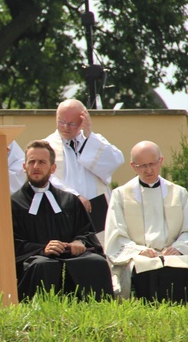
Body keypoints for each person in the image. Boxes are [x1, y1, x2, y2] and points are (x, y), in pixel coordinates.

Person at [12, 140, 113, 301]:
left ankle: (100, 311)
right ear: (24, 166)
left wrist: (80, 242)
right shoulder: (14, 204)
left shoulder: (70, 201)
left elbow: (86, 232)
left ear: (53, 168)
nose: (36, 166)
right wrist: (42, 249)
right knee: (43, 265)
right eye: (31, 162)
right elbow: (13, 243)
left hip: (71, 255)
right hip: (36, 257)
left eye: (42, 162)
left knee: (96, 262)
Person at [104, 141, 188, 302]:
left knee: (177, 267)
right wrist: (138, 251)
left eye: (152, 164)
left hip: (173, 254)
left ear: (161, 161)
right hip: (139, 257)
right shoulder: (120, 195)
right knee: (146, 267)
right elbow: (116, 234)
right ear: (133, 166)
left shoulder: (179, 193)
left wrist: (178, 248)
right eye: (142, 166)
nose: (149, 170)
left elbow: (187, 230)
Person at [44, 98, 124, 211]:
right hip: (64, 208)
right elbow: (47, 179)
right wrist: (75, 197)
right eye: (61, 122)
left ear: (82, 121)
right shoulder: (46, 146)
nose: (66, 127)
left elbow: (115, 161)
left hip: (96, 209)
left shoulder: (95, 140)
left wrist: (89, 137)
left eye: (72, 123)